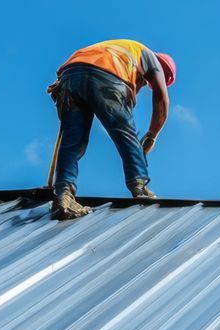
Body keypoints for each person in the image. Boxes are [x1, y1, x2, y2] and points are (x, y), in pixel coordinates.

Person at [47, 39, 175, 220]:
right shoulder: (150, 58)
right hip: (104, 75)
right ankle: (140, 187)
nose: (145, 84)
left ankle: (63, 194)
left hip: (69, 76)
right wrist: (151, 136)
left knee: (72, 141)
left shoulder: (122, 51)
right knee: (125, 134)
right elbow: (161, 98)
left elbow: (127, 91)